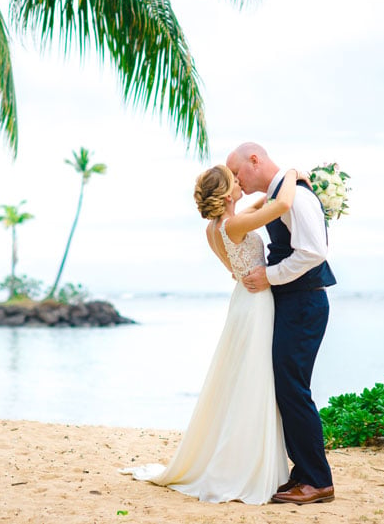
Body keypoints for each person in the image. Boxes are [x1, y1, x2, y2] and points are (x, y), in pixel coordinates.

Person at [121, 164, 303, 504]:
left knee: (241, 380)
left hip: (241, 302)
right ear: (226, 193)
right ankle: (244, 465)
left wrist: (270, 187)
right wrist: (291, 174)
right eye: (236, 182)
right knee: (253, 380)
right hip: (257, 303)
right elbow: (278, 207)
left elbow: (258, 208)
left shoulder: (215, 227)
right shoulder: (233, 225)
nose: (240, 184)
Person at [226, 142, 337, 505]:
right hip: (293, 302)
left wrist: (269, 276)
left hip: (304, 302)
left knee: (292, 388)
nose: (237, 182)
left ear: (254, 160)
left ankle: (318, 480)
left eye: (238, 173)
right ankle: (303, 473)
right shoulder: (279, 195)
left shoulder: (297, 198)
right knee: (286, 387)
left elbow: (313, 252)